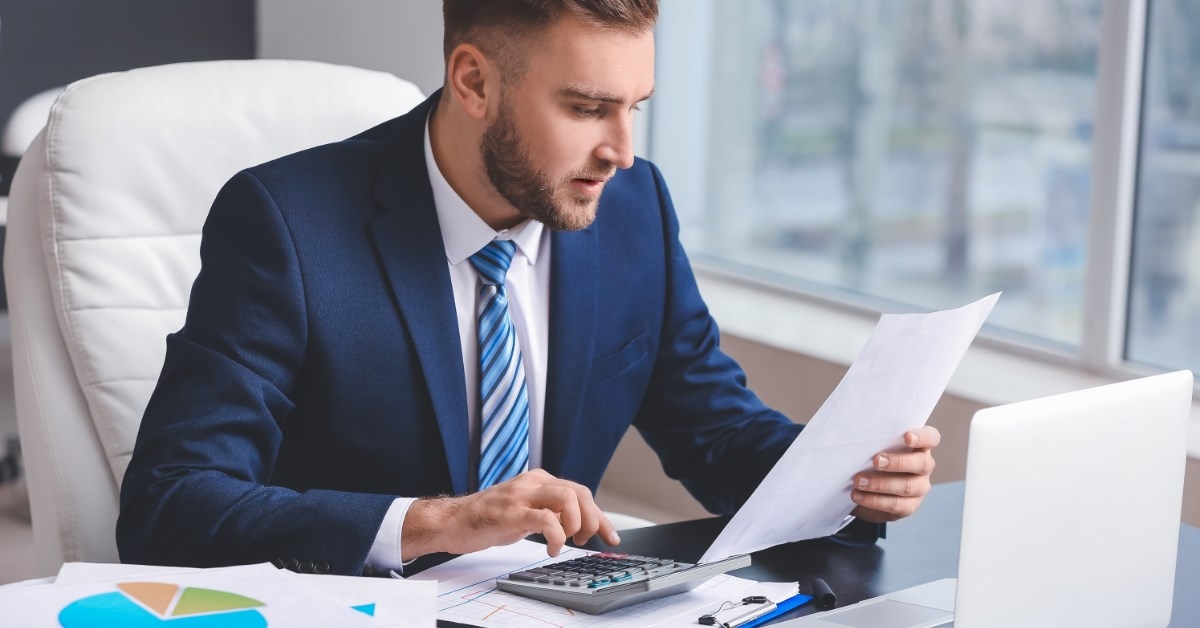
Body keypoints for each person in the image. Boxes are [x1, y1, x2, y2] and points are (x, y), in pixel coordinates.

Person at [117, 0, 940, 577]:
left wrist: (846, 477)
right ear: (473, 82)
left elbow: (715, 431)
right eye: (587, 108)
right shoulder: (286, 225)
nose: (621, 150)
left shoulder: (631, 208)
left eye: (636, 108)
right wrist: (438, 521)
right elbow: (169, 505)